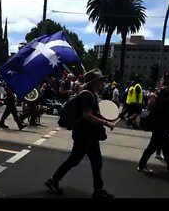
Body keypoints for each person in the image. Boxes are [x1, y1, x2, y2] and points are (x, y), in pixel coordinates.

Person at [45, 69, 116, 198]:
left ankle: (98, 190)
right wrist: (106, 123)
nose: (103, 83)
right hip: (84, 135)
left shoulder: (91, 94)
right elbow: (87, 116)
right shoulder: (88, 95)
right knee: (74, 160)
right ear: (95, 82)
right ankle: (53, 180)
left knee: (96, 161)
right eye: (101, 80)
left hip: (90, 135)